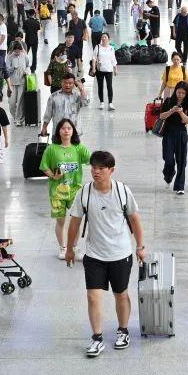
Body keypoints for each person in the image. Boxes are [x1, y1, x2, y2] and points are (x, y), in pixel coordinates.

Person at [65, 151, 145, 358]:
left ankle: (123, 330)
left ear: (111, 170)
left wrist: (140, 246)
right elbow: (74, 222)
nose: (96, 171)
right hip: (94, 255)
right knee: (93, 297)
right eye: (93, 167)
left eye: (101, 168)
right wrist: (70, 248)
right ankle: (97, 338)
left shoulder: (122, 191)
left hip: (120, 253)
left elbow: (135, 219)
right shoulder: (84, 193)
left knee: (121, 294)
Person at [39, 119, 90, 260]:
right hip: (57, 192)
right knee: (60, 221)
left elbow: (91, 160)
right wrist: (53, 176)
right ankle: (63, 248)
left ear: (73, 131)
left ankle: (74, 247)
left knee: (76, 221)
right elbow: (44, 166)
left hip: (75, 191)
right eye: (63, 128)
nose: (66, 131)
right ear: (58, 131)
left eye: (69, 128)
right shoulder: (51, 149)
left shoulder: (79, 148)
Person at [159, 81, 188, 195]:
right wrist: (171, 110)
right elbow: (161, 116)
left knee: (181, 161)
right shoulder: (168, 101)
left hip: (181, 134)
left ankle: (180, 186)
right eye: (179, 92)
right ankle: (168, 174)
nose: (180, 95)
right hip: (168, 134)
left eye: (183, 93)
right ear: (175, 91)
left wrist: (181, 113)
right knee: (168, 159)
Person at [90, 33, 117, 111]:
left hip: (109, 70)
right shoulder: (97, 47)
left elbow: (113, 59)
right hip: (100, 70)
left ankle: (110, 103)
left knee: (109, 86)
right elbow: (94, 58)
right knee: (100, 86)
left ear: (108, 38)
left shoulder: (111, 48)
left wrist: (115, 69)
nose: (103, 38)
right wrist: (94, 68)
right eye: (102, 37)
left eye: (105, 37)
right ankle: (101, 102)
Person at [5, 41, 30, 126]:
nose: (17, 53)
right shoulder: (9, 57)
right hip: (12, 82)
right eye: (16, 51)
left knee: (20, 102)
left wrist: (26, 71)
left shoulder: (24, 56)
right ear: (13, 50)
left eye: (19, 51)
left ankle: (19, 119)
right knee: (11, 103)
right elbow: (6, 70)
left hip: (22, 82)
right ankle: (15, 117)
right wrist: (13, 68)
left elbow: (28, 66)